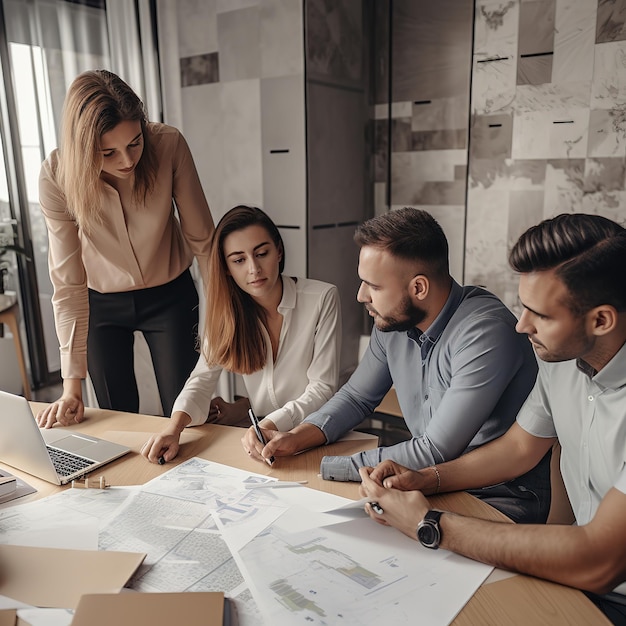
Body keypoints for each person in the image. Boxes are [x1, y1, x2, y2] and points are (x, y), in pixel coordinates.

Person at [359, 213, 626, 624]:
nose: (521, 326)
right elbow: (520, 447)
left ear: (601, 320)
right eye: (523, 307)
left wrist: (428, 523)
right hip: (577, 582)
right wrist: (426, 478)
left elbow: (599, 560)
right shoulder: (560, 361)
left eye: (542, 315)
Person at [245, 207, 549, 524]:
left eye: (373, 286)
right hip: (424, 483)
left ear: (418, 288)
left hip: (496, 498)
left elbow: (435, 450)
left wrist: (321, 466)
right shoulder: (393, 323)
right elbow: (357, 397)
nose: (361, 295)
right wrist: (297, 437)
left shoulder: (485, 331)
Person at [36, 69, 215, 426]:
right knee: (115, 420)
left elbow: (204, 242)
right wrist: (72, 385)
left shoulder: (168, 145)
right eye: (108, 152)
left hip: (171, 295)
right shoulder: (57, 176)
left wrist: (223, 316)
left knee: (185, 416)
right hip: (100, 304)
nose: (127, 160)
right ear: (83, 149)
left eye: (134, 142)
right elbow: (68, 284)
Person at [141, 205, 341, 464]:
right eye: (239, 260)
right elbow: (201, 379)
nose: (254, 269)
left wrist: (265, 422)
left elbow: (323, 388)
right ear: (226, 267)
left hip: (312, 434)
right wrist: (173, 428)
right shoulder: (227, 314)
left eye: (261, 253)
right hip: (260, 439)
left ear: (278, 251)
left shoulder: (322, 298)